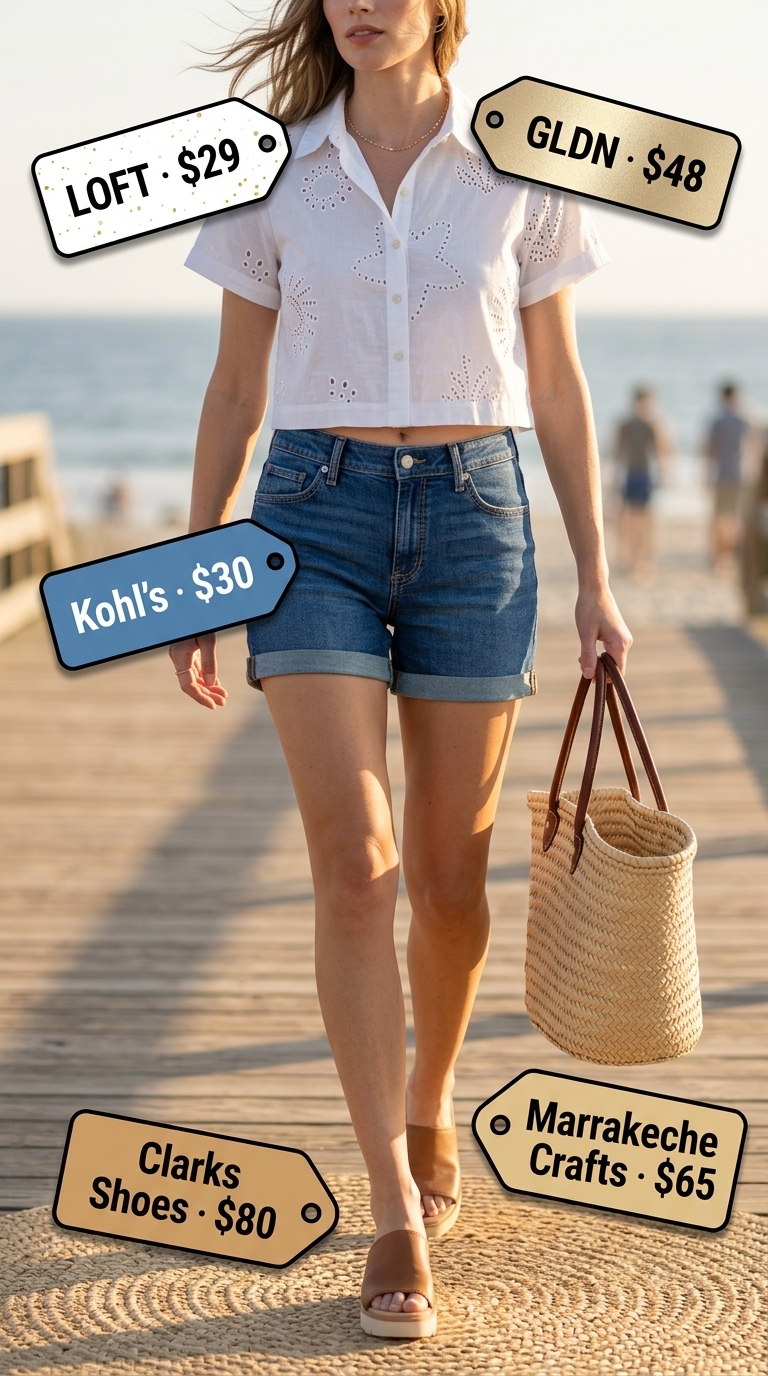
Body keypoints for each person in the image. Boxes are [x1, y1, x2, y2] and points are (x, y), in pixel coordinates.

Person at [171, 0, 631, 1339]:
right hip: (308, 511)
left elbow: (557, 383)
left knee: (447, 873)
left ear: (444, 7)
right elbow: (229, 393)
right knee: (355, 868)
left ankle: (432, 1093)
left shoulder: (521, 163)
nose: (357, 6)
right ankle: (392, 1206)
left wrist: (599, 578)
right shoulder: (268, 166)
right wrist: (200, 575)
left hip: (481, 511)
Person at [613, 386, 671, 583]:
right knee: (628, 519)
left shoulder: (652, 424)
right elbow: (618, 452)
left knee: (645, 519)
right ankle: (630, 558)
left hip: (645, 475)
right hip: (631, 475)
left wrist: (665, 474)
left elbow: (662, 450)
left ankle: (644, 560)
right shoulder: (627, 425)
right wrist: (613, 478)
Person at [704, 382, 749, 572]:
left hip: (722, 473)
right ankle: (727, 556)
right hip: (738, 473)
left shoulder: (718, 421)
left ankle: (719, 557)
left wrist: (706, 473)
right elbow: (751, 449)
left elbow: (710, 449)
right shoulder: (744, 420)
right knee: (733, 516)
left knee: (719, 517)